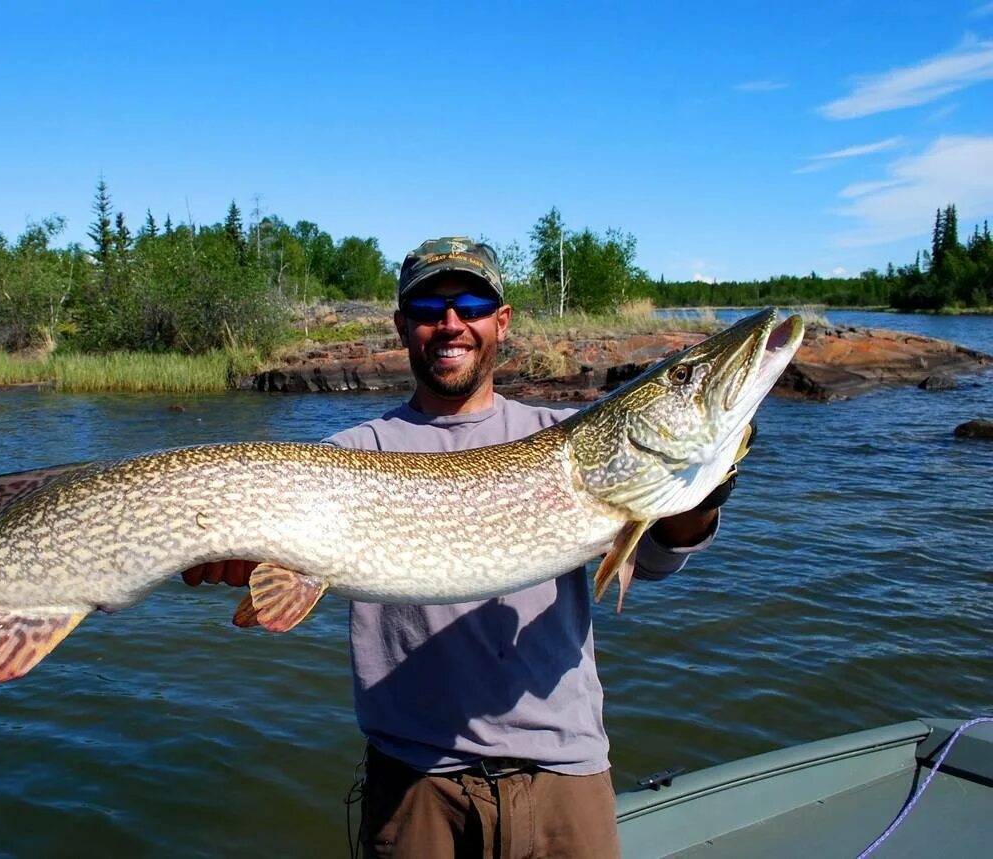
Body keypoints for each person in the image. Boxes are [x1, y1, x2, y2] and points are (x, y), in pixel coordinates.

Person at [183, 237, 733, 858]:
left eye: (470, 303)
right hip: (415, 781)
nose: (450, 324)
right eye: (426, 309)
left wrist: (706, 492)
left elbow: (657, 559)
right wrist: (239, 558)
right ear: (402, 326)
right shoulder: (351, 453)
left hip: (562, 772)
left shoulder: (563, 439)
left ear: (501, 321)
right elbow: (264, 565)